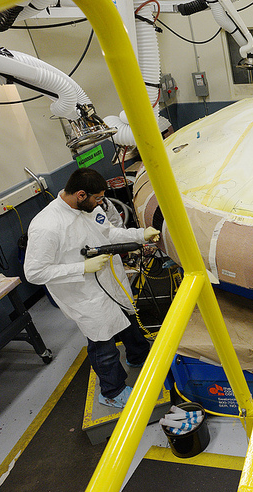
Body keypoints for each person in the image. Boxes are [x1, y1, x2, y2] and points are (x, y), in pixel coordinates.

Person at [24, 168, 160, 408]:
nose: (101, 203)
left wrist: (141, 235)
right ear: (80, 194)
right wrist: (82, 268)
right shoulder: (46, 226)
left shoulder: (91, 209)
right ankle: (112, 391)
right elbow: (34, 273)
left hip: (110, 280)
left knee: (127, 317)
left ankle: (138, 356)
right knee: (103, 341)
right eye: (97, 198)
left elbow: (109, 233)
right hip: (84, 294)